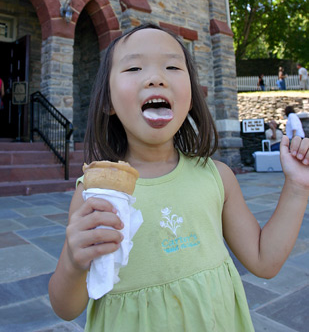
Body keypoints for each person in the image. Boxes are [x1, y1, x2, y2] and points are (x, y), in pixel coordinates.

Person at [49, 24, 309, 332]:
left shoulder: (218, 177)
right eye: (134, 67)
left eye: (172, 66)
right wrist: (73, 261)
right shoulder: (96, 193)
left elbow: (265, 261)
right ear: (107, 101)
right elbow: (66, 308)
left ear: (190, 95)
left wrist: (297, 185)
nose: (156, 77)